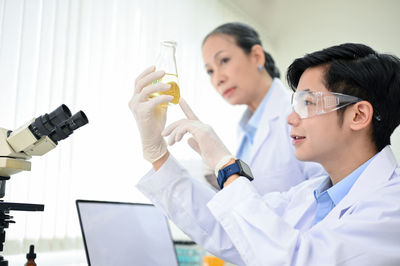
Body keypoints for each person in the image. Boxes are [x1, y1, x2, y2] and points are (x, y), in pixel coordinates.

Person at [129, 43, 400, 265]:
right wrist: (157, 153)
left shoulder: (390, 207)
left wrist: (227, 168)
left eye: (308, 102)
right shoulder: (308, 196)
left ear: (358, 115)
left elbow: (298, 260)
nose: (290, 118)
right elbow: (233, 230)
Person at [199, 22, 324, 192]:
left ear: (257, 56)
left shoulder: (300, 112)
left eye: (224, 60)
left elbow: (324, 192)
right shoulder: (245, 129)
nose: (217, 79)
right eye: (210, 71)